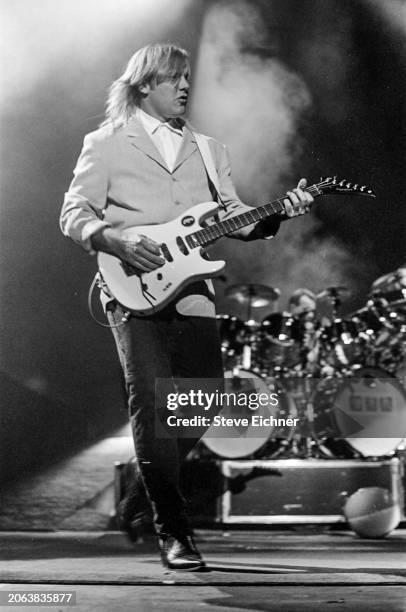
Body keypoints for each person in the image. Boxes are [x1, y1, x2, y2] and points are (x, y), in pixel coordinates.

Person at [60, 42, 313, 571]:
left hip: (193, 290)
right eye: (173, 77)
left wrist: (277, 214)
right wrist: (114, 239)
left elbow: (234, 217)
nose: (184, 86)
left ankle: (145, 478)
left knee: (204, 402)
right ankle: (174, 532)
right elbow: (74, 212)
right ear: (144, 84)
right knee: (153, 409)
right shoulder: (106, 143)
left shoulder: (208, 149)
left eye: (187, 77)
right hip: (131, 288)